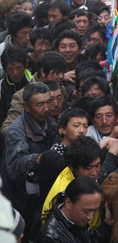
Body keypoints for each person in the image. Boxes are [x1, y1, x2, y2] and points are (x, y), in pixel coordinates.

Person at [1, 83, 58, 232]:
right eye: (40, 104)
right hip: (19, 199)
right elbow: (14, 167)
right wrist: (37, 159)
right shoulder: (16, 132)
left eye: (48, 102)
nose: (46, 108)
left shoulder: (49, 122)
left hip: (40, 196)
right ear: (26, 106)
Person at [37, 176, 111, 243]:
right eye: (86, 211)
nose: (90, 217)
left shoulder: (76, 220)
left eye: (95, 210)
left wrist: (106, 225)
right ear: (68, 203)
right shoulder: (51, 238)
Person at [0, 47, 32, 126]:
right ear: (5, 69)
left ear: (25, 65)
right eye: (10, 69)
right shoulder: (1, 88)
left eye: (19, 68)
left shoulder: (34, 82)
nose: (15, 73)